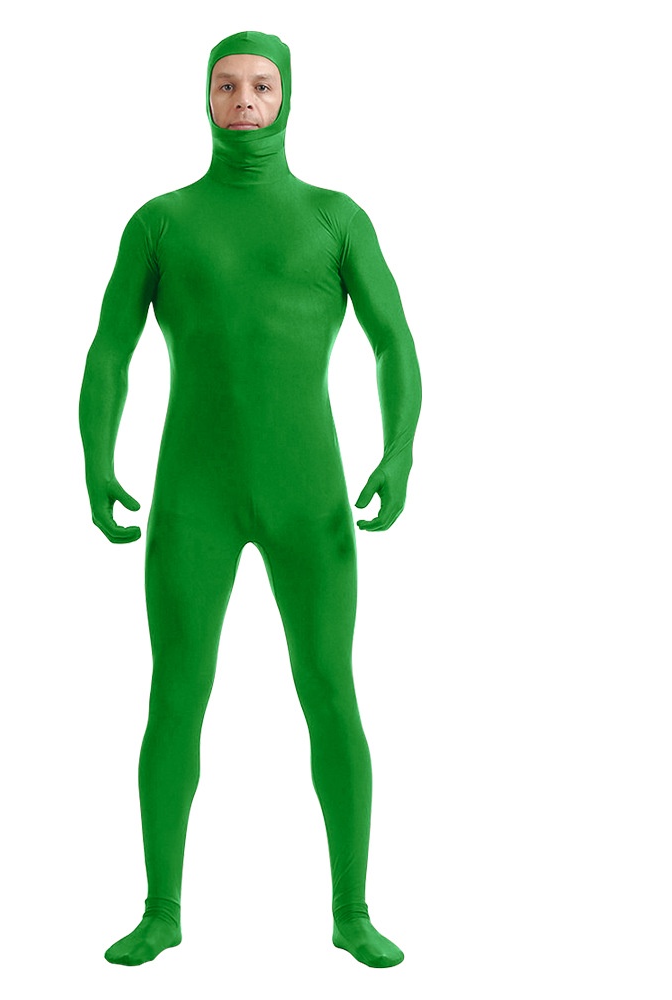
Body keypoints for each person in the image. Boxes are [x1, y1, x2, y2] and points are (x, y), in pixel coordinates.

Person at [79, 30, 421, 968]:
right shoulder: (161, 221)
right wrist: (96, 457)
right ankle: (161, 910)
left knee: (330, 690)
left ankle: (352, 911)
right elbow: (110, 348)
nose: (243, 100)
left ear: (288, 97)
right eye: (226, 85)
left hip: (311, 495)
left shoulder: (334, 217)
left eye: (261, 85)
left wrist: (399, 450)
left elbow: (393, 339)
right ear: (204, 98)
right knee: (176, 694)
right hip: (192, 494)